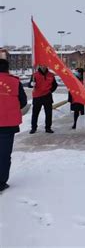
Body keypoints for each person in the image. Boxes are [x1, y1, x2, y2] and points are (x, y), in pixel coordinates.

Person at [0, 59, 28, 192]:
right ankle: (1, 182)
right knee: (4, 154)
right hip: (7, 124)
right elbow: (23, 102)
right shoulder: (15, 82)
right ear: (7, 68)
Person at [29, 65, 58, 134]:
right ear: (39, 66)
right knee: (35, 113)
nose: (43, 67)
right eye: (42, 65)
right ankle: (33, 128)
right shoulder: (34, 75)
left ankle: (48, 128)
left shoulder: (51, 75)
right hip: (37, 96)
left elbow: (55, 85)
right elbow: (29, 85)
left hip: (47, 96)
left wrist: (50, 91)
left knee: (48, 113)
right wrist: (31, 84)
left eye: (45, 65)